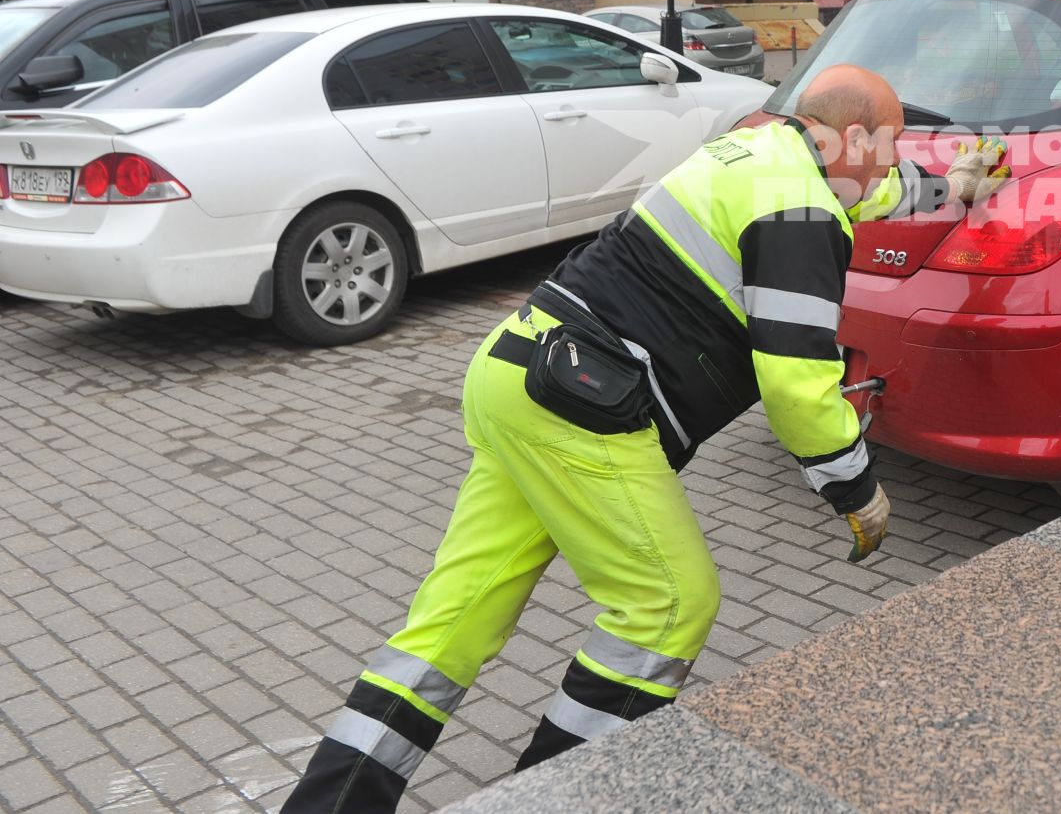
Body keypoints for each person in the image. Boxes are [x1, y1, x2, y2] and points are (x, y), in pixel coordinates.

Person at [280, 66, 1009, 813]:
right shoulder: (801, 210)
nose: (891, 165)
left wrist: (952, 186)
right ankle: (553, 797)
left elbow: (877, 193)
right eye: (887, 148)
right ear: (851, 137)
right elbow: (796, 385)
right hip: (583, 406)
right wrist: (856, 489)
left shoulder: (757, 153)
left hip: (517, 375)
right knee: (670, 603)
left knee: (452, 622)